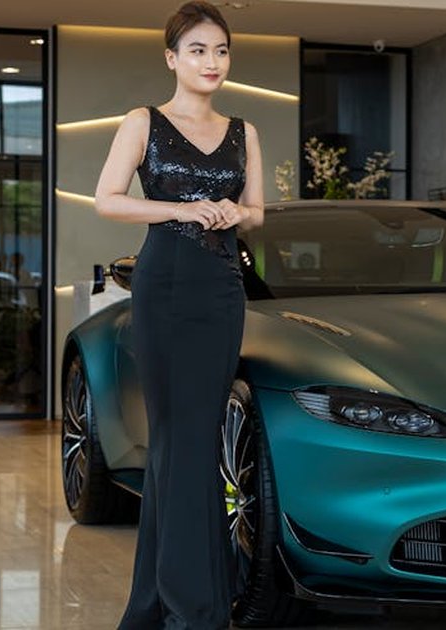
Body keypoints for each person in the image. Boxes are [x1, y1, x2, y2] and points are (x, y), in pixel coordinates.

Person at [93, 2, 264, 627]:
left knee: (188, 445)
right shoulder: (143, 121)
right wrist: (182, 211)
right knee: (177, 443)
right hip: (163, 287)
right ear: (172, 57)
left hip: (221, 290)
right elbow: (107, 200)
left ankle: (161, 606)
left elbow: (259, 213)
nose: (211, 61)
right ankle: (193, 609)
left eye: (220, 50)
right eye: (197, 50)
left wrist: (229, 212)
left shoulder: (244, 130)